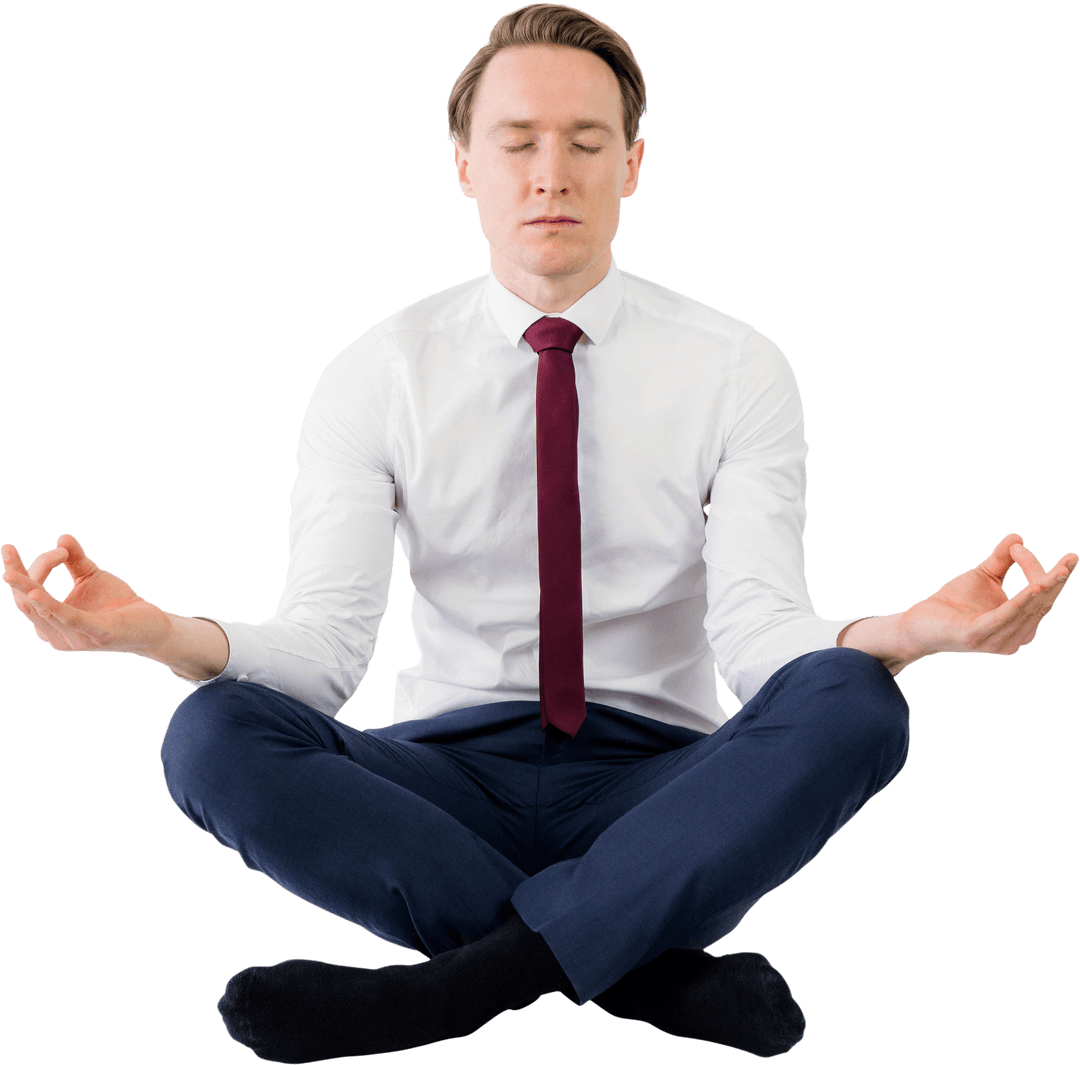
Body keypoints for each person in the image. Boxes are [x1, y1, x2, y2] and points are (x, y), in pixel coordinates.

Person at [2, 4, 1074, 1063]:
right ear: (465, 165)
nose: (551, 175)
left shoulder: (738, 366)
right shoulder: (376, 373)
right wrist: (155, 633)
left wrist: (908, 633)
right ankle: (645, 973)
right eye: (517, 143)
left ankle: (454, 992)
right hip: (440, 792)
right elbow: (322, 654)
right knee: (210, 735)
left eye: (586, 142)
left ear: (633, 165)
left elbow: (760, 637)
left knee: (858, 702)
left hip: (665, 791)